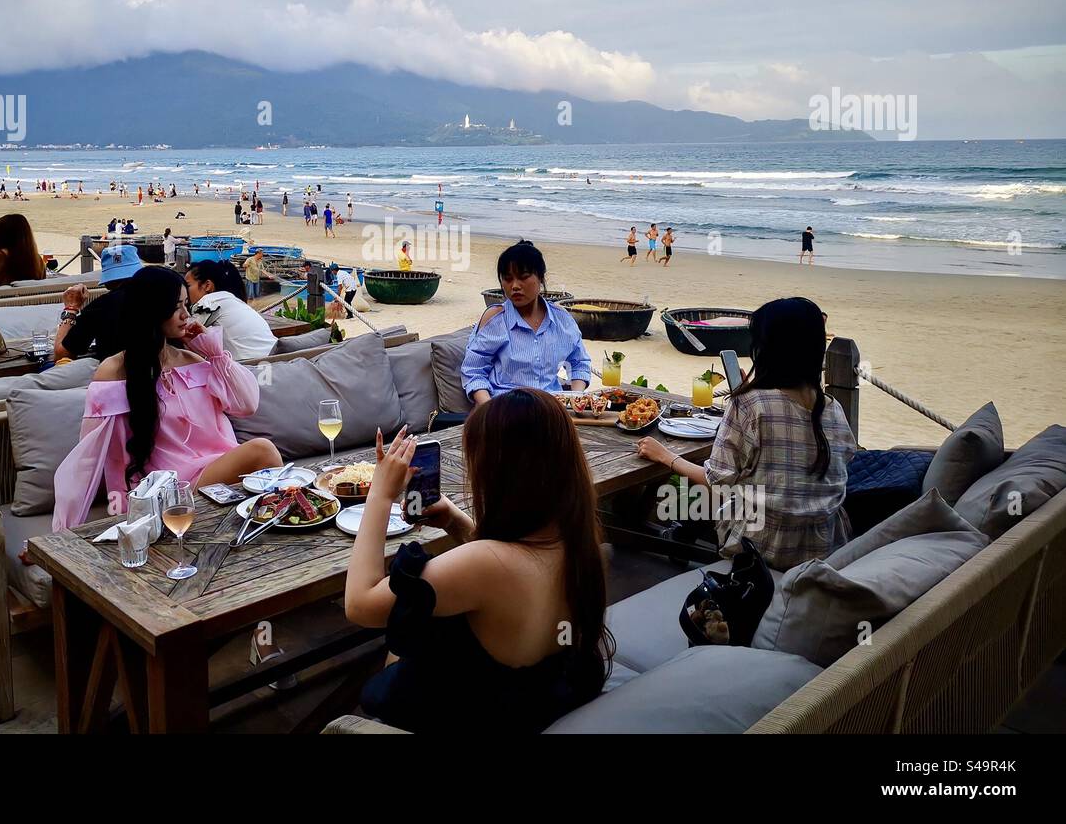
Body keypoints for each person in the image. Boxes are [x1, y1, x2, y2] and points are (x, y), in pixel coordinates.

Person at [346, 390, 613, 733]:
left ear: (499, 473)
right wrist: (456, 522)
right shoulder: (576, 540)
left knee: (402, 643)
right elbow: (509, 570)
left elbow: (359, 604)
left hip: (470, 712)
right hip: (537, 700)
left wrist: (379, 496)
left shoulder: (484, 565)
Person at [50, 266, 278, 532]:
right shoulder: (115, 371)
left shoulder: (194, 361)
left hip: (219, 472)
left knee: (268, 468)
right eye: (175, 307)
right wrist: (64, 530)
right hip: (172, 485)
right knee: (262, 450)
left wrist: (214, 353)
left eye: (186, 304)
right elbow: (91, 456)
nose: (185, 315)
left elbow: (246, 404)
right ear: (152, 310)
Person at [636, 297, 854, 571]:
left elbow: (716, 480)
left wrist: (666, 457)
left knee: (724, 489)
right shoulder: (832, 409)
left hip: (761, 551)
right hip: (825, 548)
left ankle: (677, 535)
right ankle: (682, 533)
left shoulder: (750, 405)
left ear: (765, 349)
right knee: (747, 483)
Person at [462, 241, 591, 403]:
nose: (515, 286)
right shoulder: (496, 319)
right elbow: (473, 371)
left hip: (552, 408)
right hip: (504, 409)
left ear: (541, 277)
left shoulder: (562, 320)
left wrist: (576, 397)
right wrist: (488, 409)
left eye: (523, 277)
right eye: (507, 279)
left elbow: (579, 363)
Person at [55, 243, 142, 361]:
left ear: (107, 282)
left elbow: (62, 355)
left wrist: (71, 308)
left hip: (116, 375)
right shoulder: (164, 297)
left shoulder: (101, 307)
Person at [184, 259, 276, 361]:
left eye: (187, 285)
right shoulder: (234, 301)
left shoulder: (210, 301)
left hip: (252, 366)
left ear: (207, 285)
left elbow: (184, 330)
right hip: (276, 359)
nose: (183, 290)